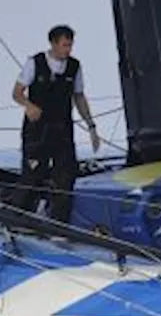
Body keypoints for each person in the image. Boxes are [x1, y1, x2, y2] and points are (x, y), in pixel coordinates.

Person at [11, 24, 101, 223]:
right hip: (37, 130)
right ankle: (16, 221)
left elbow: (79, 96)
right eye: (64, 45)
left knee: (65, 178)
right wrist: (28, 105)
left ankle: (59, 225)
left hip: (62, 130)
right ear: (53, 43)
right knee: (32, 176)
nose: (68, 50)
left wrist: (91, 126)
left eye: (70, 45)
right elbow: (17, 92)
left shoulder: (74, 66)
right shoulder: (35, 63)